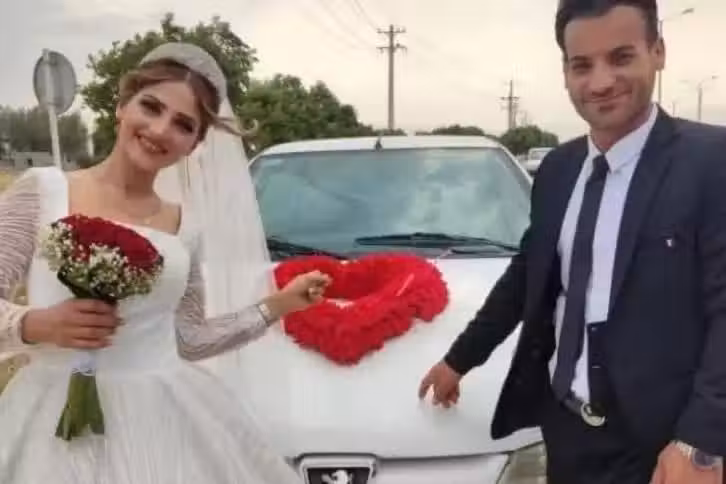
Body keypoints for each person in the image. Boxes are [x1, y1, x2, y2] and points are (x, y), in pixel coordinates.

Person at [418, 1, 726, 483]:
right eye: (582, 65)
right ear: (565, 73)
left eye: (621, 57)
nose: (600, 82)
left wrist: (702, 441)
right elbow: (527, 275)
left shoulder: (710, 163)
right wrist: (460, 359)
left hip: (662, 447)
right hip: (566, 430)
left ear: (658, 52)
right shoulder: (558, 171)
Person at [0, 42, 331, 483]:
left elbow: (190, 339)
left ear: (194, 144)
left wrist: (278, 305)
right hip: (49, 421)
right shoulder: (42, 192)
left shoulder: (185, 226)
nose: (160, 130)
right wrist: (35, 324)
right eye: (151, 107)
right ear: (122, 105)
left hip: (163, 422)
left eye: (183, 125)